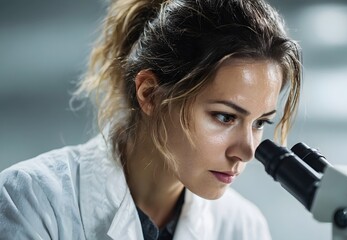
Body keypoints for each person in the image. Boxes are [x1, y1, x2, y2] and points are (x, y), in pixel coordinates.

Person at [0, 0, 301, 239]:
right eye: (224, 117)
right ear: (150, 94)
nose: (247, 151)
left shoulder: (243, 227)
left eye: (260, 122)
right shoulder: (31, 200)